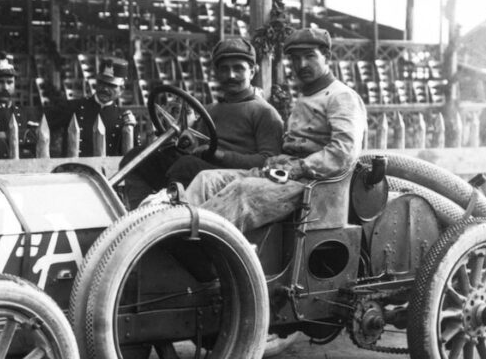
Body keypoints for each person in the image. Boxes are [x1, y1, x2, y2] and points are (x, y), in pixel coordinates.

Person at [184, 27, 367, 233]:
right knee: (206, 180)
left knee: (243, 191)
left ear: (327, 57)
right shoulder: (308, 95)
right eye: (295, 59)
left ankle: (197, 238)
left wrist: (300, 167)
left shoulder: (341, 96)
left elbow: (343, 153)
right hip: (287, 175)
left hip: (314, 185)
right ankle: (171, 230)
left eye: (309, 56)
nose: (301, 65)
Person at [120, 36, 283, 206]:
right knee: (135, 158)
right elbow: (195, 146)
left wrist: (220, 155)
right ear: (217, 72)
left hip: (236, 178)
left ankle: (172, 217)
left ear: (252, 71)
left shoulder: (265, 113)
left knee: (187, 166)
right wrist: (185, 142)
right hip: (201, 169)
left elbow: (268, 161)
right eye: (224, 69)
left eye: (238, 68)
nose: (231, 75)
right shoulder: (211, 110)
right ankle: (141, 215)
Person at [47, 56, 134, 157]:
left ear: (122, 89)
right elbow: (42, 127)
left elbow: (133, 153)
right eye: (102, 83)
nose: (105, 89)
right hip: (73, 170)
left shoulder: (123, 118)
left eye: (111, 85)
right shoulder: (74, 107)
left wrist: (131, 126)